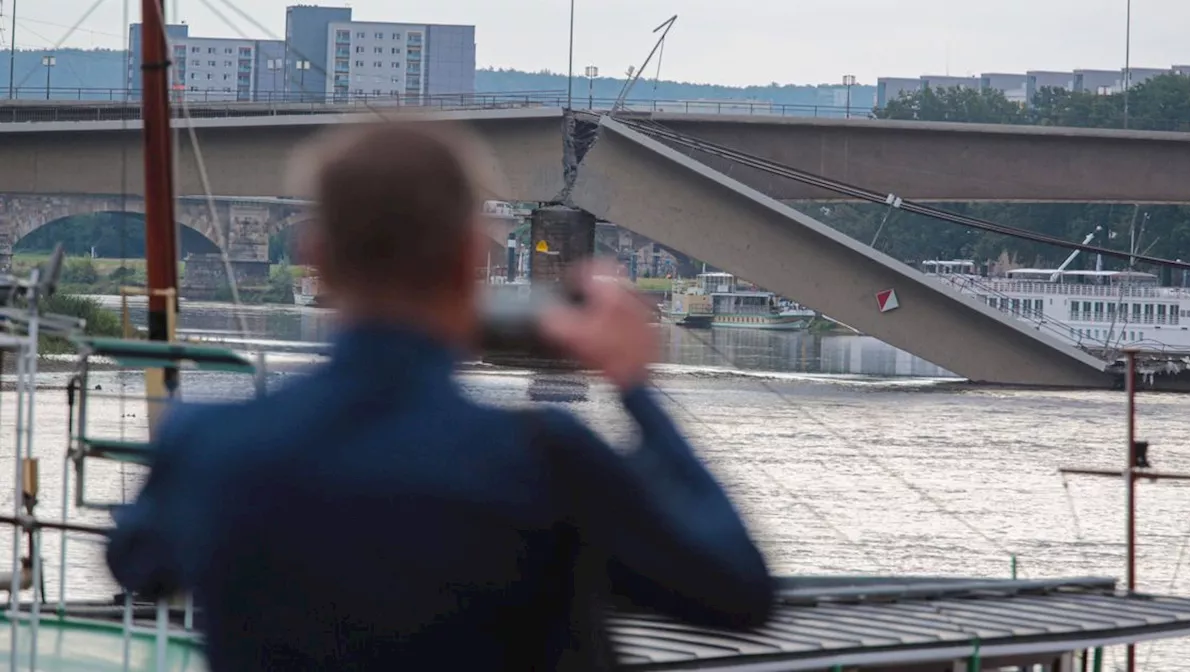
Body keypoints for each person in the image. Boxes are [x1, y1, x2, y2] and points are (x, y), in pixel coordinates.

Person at [106, 117, 774, 671]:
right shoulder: (545, 462)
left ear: (317, 258)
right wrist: (636, 386)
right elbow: (735, 589)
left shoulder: (207, 447)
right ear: (466, 261)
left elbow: (137, 562)